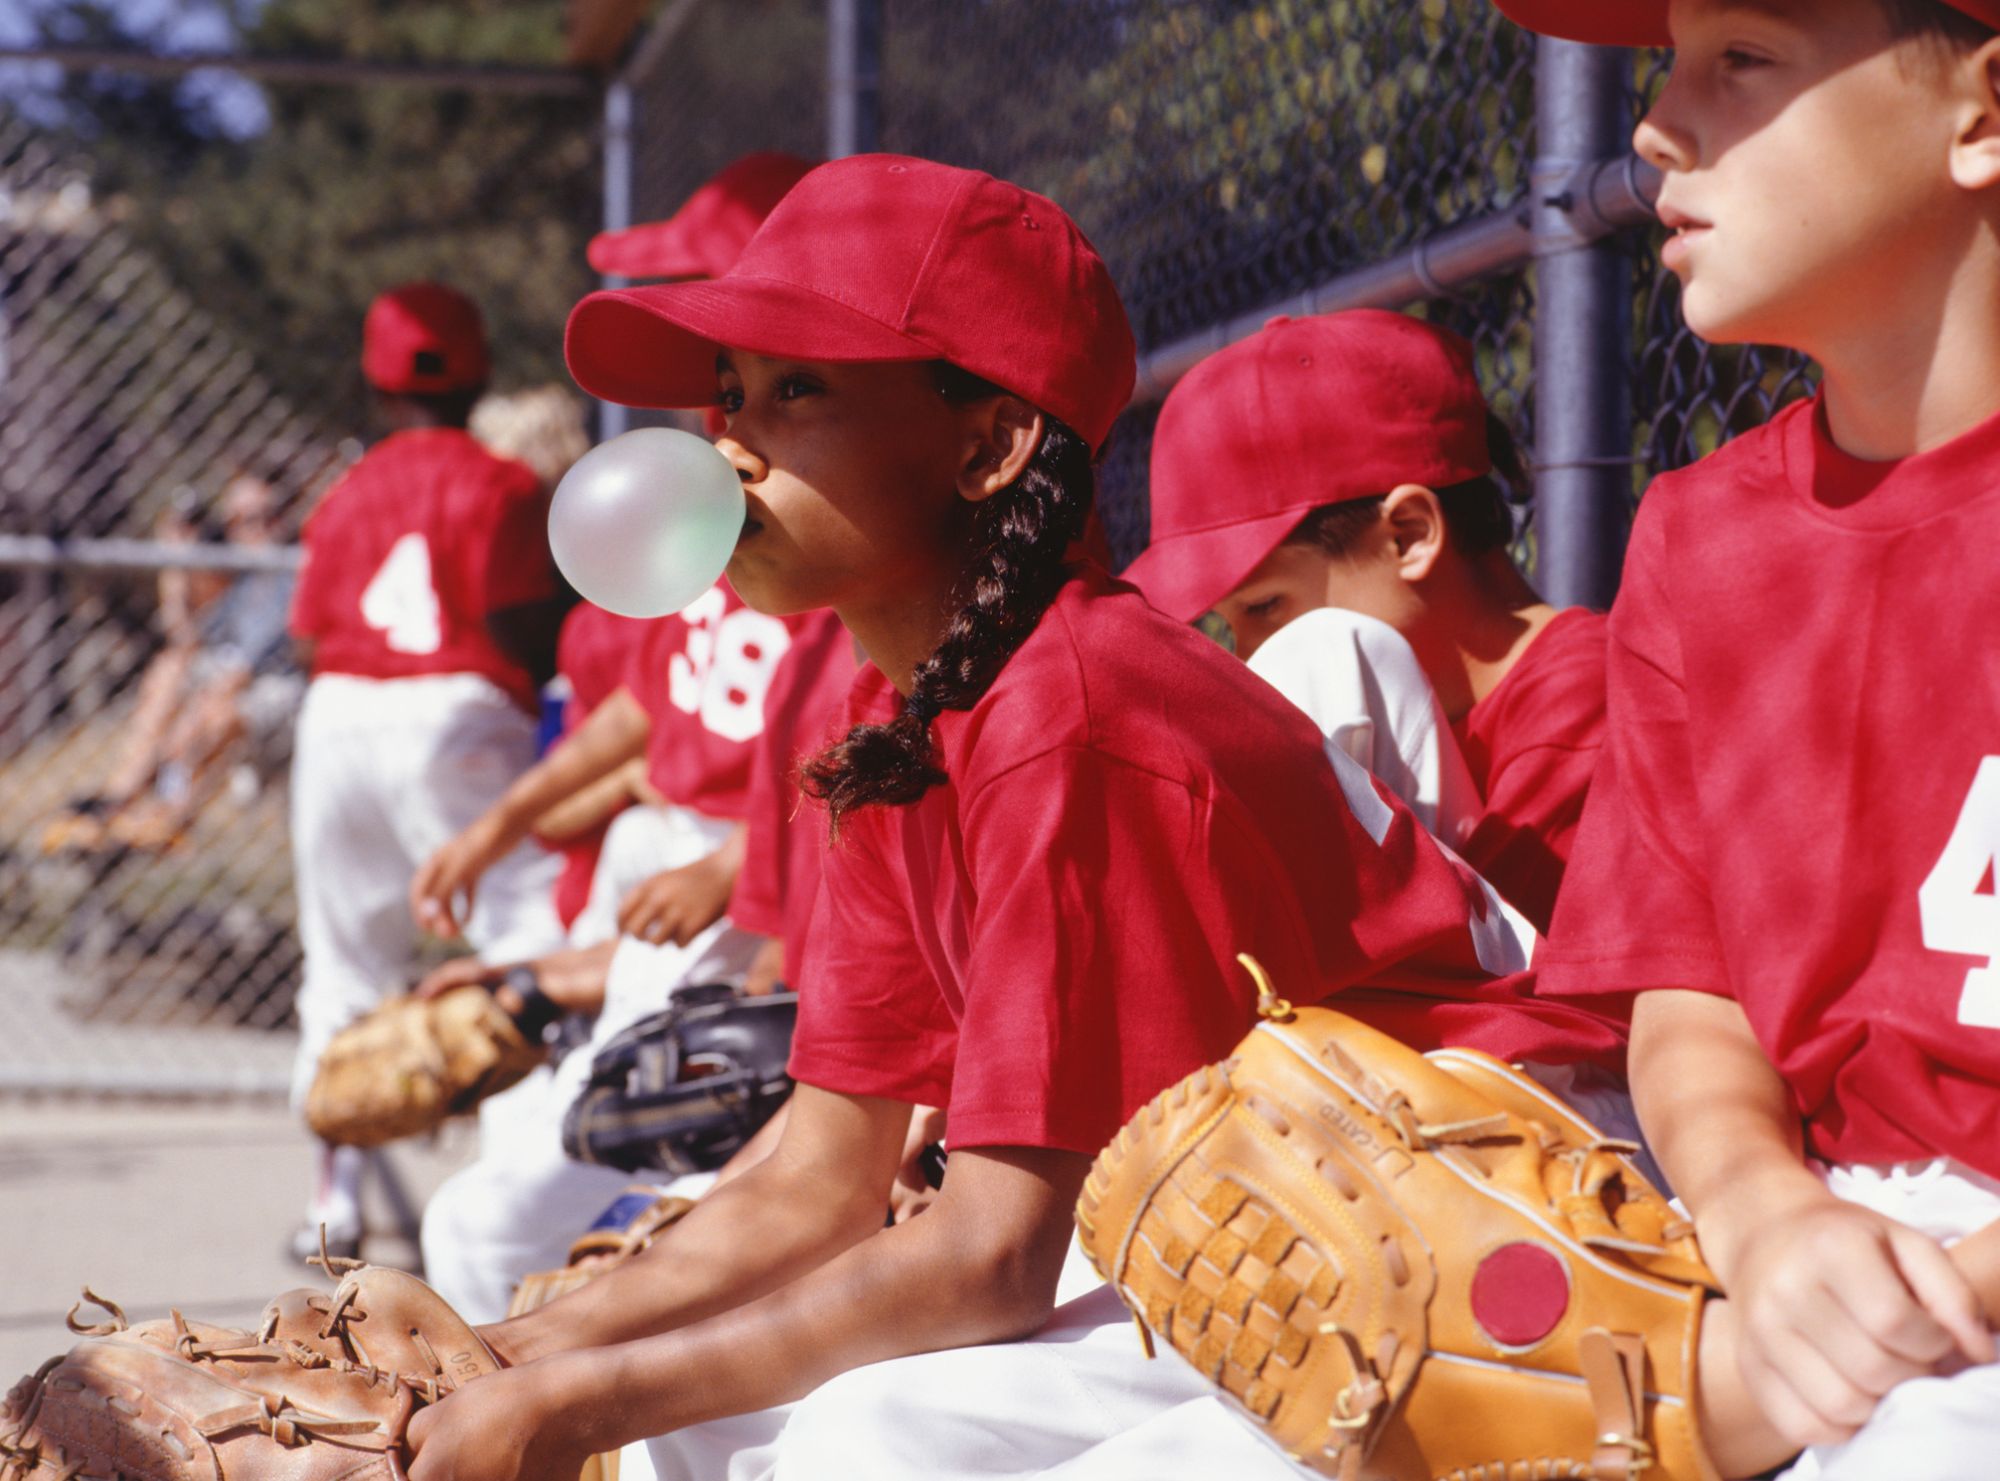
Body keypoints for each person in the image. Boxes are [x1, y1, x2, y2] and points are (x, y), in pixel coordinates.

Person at [401, 153, 1623, 1481]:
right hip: (1246, 1202)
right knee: (695, 1422)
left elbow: (997, 1252)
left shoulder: (1074, 704)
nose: (729, 447)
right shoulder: (901, 726)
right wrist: (505, 1357)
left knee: (865, 1444)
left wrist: (576, 1400)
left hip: (1480, 1195)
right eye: (730, 397)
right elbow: (819, 1177)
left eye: (798, 389)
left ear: (986, 446)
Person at [1490, 1, 2000, 1476]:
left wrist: (1894, 1316)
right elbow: (1688, 992)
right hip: (1798, 1221)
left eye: (1744, 61)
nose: (1655, 126)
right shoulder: (1699, 534)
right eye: (1669, 63)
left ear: (1982, 114)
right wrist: (1761, 1211)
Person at [1123, 310, 1605, 933]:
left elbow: (1507, 1001)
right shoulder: (1390, 713)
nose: (1246, 658)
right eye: (1226, 626)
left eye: (1266, 607)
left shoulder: (1582, 711)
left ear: (1409, 535)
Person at [286, 281, 571, 1261]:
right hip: (455, 711)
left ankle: (331, 1208)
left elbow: (309, 631)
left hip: (337, 712)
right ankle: (527, 1187)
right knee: (526, 941)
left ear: (374, 384)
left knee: (342, 963)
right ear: (480, 372)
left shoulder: (345, 488)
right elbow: (519, 622)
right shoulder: (501, 480)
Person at [45, 475, 297, 853]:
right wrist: (177, 566)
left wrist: (191, 716)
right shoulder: (241, 582)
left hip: (276, 688)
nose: (256, 530)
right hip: (229, 681)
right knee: (171, 667)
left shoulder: (292, 574)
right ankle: (121, 793)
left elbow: (242, 672)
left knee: (212, 711)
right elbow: (185, 638)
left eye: (266, 517)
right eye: (239, 522)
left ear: (284, 518)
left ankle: (170, 812)